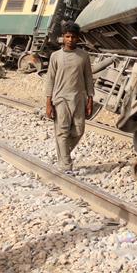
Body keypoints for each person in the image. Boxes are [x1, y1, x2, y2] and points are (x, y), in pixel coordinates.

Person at [45, 22, 94, 171]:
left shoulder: (83, 56)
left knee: (79, 130)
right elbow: (50, 79)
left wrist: (90, 100)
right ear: (62, 37)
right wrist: (48, 102)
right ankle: (66, 165)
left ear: (78, 38)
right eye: (67, 36)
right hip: (60, 99)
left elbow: (88, 79)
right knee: (62, 131)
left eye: (73, 37)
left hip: (79, 98)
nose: (70, 39)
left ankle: (62, 154)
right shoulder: (56, 56)